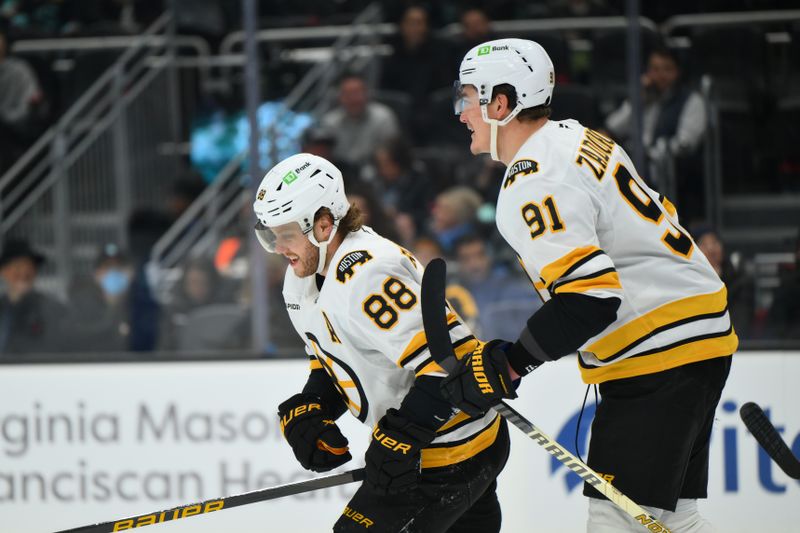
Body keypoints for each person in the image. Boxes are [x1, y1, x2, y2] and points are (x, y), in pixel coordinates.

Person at [442, 38, 737, 532]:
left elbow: (591, 297)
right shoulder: (578, 138)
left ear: (501, 103)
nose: (461, 112)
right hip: (696, 336)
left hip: (659, 353)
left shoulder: (534, 179)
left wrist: (511, 365)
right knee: (674, 520)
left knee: (616, 522)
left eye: (469, 98)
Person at [253, 153, 509, 532]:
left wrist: (401, 437)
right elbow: (333, 358)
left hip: (454, 453)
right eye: (271, 236)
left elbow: (452, 363)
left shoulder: (367, 273)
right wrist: (314, 407)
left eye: (286, 235)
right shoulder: (302, 277)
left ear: (323, 225)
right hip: (434, 451)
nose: (277, 248)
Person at [605, 46, 707, 224]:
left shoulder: (692, 100)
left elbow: (685, 143)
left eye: (667, 69)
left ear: (677, 72)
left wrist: (649, 156)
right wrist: (638, 99)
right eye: (655, 69)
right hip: (636, 168)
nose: (660, 76)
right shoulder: (644, 97)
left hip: (673, 175)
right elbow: (613, 126)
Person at [319, 73, 400, 168]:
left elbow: (392, 154)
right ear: (340, 97)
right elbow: (323, 157)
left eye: (357, 93)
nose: (353, 99)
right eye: (348, 94)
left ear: (367, 93)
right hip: (340, 172)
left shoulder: (383, 117)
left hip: (375, 172)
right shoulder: (330, 122)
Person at [0, 239, 64, 354]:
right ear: (4, 271)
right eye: (17, 267)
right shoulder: (3, 308)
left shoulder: (51, 308)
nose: (24, 274)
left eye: (29, 267)